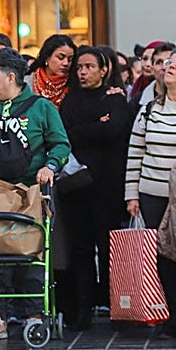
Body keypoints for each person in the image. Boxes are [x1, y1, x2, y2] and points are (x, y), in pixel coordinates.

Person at [0, 48, 71, 342]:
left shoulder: (41, 108)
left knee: (30, 251)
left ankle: (33, 314)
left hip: (30, 190)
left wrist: (50, 166)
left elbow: (60, 144)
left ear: (10, 76)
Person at [124, 46, 176, 338]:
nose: (170, 66)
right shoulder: (149, 110)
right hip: (151, 191)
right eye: (169, 62)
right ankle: (171, 316)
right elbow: (135, 152)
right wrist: (131, 194)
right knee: (161, 257)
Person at [59, 45, 129, 330]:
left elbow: (114, 129)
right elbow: (68, 133)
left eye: (89, 67)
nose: (84, 72)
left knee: (108, 247)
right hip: (77, 187)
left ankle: (116, 308)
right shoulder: (72, 101)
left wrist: (86, 128)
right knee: (80, 249)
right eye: (80, 67)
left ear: (104, 70)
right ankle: (82, 309)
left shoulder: (115, 99)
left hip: (108, 185)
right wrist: (95, 125)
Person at [28, 34, 76, 108]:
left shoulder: (74, 83)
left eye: (70, 59)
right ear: (47, 57)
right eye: (60, 57)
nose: (66, 63)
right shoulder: (27, 82)